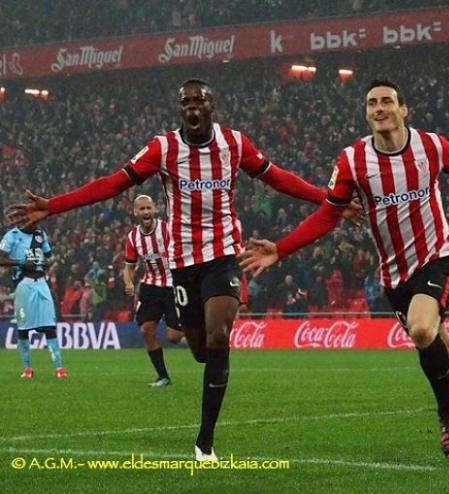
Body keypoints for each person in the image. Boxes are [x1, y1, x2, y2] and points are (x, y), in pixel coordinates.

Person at [7, 78, 359, 461]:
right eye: (185, 102)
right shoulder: (164, 148)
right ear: (181, 110)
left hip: (224, 253)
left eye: (199, 101)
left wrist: (330, 200)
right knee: (199, 349)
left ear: (212, 106)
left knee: (220, 334)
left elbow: (278, 178)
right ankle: (208, 367)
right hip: (183, 261)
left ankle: (205, 440)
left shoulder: (235, 144)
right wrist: (54, 206)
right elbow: (113, 184)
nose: (192, 107)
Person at [239, 79, 449, 456]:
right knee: (440, 346)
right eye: (372, 103)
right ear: (366, 113)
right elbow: (330, 214)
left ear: (403, 109)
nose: (379, 108)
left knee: (423, 330)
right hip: (394, 274)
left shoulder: (432, 146)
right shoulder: (353, 160)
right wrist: (281, 248)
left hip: (437, 257)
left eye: (387, 101)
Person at [123, 194, 183, 387]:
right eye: (142, 209)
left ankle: (197, 322)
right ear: (135, 212)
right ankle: (163, 377)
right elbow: (129, 267)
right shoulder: (133, 237)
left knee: (174, 338)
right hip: (150, 286)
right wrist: (129, 282)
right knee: (146, 330)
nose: (146, 212)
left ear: (155, 209)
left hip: (173, 285)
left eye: (149, 208)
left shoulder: (167, 230)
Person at [0, 225, 67, 379]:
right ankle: (28, 368)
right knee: (24, 328)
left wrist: (48, 262)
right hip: (23, 283)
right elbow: (1, 258)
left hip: (42, 282)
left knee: (50, 326)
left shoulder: (40, 234)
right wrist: (22, 263)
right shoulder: (12, 235)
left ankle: (60, 368)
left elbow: (48, 255)